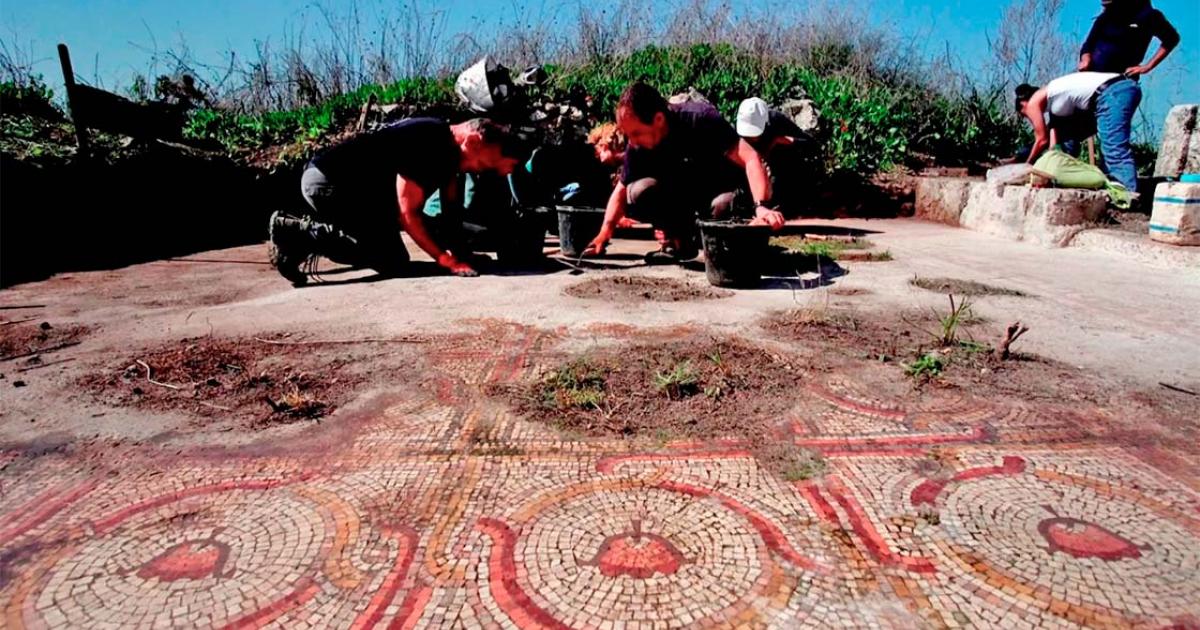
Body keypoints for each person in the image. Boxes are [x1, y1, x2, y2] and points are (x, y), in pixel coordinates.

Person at [268, 117, 525, 286]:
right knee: (390, 261)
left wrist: (462, 254)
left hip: (358, 191)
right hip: (330, 184)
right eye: (487, 163)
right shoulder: (431, 145)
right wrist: (445, 260)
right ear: (473, 140)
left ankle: (297, 246)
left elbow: (450, 214)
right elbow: (408, 214)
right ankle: (293, 232)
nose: (483, 170)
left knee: (393, 257)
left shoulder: (450, 156)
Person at [583, 82, 785, 263]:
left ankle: (729, 246)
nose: (632, 141)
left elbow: (750, 157)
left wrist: (762, 207)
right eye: (628, 135)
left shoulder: (700, 118)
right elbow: (621, 190)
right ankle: (678, 242)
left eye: (636, 133)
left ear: (659, 119)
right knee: (637, 191)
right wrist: (604, 233)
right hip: (683, 203)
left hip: (718, 197)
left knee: (724, 204)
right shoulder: (637, 147)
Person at [1015, 72, 1141, 192]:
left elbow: (1042, 140)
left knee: (1114, 148)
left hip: (1112, 93)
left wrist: (1027, 165)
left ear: (1023, 104)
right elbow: (1055, 140)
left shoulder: (1033, 103)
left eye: (1025, 115)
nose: (1030, 117)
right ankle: (1114, 185)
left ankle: (1127, 195)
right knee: (1109, 147)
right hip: (1118, 91)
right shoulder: (1055, 99)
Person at [735, 97, 813, 215]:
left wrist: (782, 140)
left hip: (779, 168)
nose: (751, 138)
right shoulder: (737, 133)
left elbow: (811, 145)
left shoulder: (775, 120)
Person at [1078, 0, 1180, 78]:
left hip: (1120, 80)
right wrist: (1085, 58)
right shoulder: (1105, 17)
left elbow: (1171, 39)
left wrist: (1147, 67)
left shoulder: (1149, 16)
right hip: (1091, 77)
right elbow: (1088, 44)